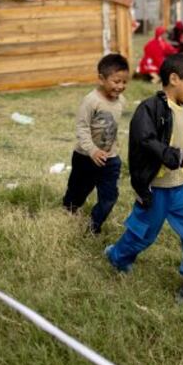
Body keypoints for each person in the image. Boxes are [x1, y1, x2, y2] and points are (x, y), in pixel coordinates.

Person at [104, 53, 183, 307]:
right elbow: (146, 141)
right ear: (174, 79)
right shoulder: (149, 108)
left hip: (180, 187)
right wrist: (177, 156)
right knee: (143, 234)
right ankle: (117, 257)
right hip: (156, 189)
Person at [62, 53, 130, 234]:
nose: (121, 86)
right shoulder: (91, 101)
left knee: (109, 196)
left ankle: (93, 227)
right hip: (85, 157)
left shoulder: (121, 101)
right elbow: (82, 129)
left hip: (109, 158)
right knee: (78, 191)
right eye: (116, 81)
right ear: (101, 79)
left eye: (124, 82)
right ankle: (69, 209)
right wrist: (92, 150)